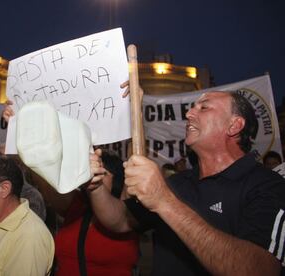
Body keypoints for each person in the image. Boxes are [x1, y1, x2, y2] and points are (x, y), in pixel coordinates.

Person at [88, 91, 285, 275]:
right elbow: (120, 221)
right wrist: (96, 187)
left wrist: (165, 202)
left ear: (234, 125)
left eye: (204, 108)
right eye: (192, 107)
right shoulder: (178, 183)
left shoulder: (269, 186)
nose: (189, 113)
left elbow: (259, 269)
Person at [3, 101, 139, 276]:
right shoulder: (74, 207)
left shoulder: (127, 212)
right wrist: (20, 127)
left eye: (101, 167)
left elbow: (137, 157)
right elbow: (42, 172)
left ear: (117, 177)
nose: (92, 168)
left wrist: (136, 105)